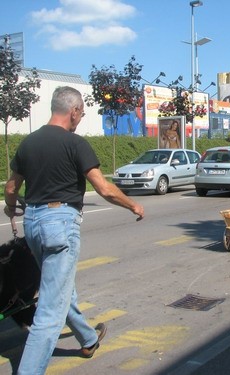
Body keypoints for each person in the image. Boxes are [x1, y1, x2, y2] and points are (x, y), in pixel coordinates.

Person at [3, 86, 145, 374]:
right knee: (49, 314)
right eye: (81, 113)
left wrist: (10, 208)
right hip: (60, 224)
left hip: (33, 224)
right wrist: (133, 205)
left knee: (58, 287)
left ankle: (88, 339)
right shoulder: (75, 143)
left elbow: (10, 187)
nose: (80, 118)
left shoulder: (28, 142)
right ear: (74, 111)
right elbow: (103, 188)